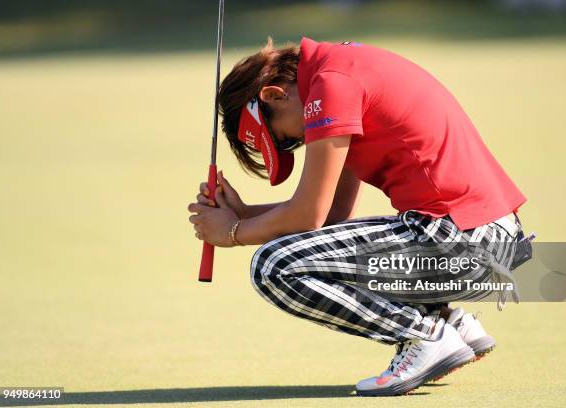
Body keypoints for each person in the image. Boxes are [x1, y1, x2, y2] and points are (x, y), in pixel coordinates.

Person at [188, 37, 527, 396]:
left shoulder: (330, 86)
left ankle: (424, 334)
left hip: (462, 241)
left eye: (285, 140)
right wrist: (243, 213)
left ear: (274, 95)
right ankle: (448, 323)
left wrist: (234, 232)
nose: (299, 143)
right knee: (311, 251)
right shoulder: (339, 69)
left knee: (273, 266)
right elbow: (333, 214)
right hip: (484, 240)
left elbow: (308, 215)